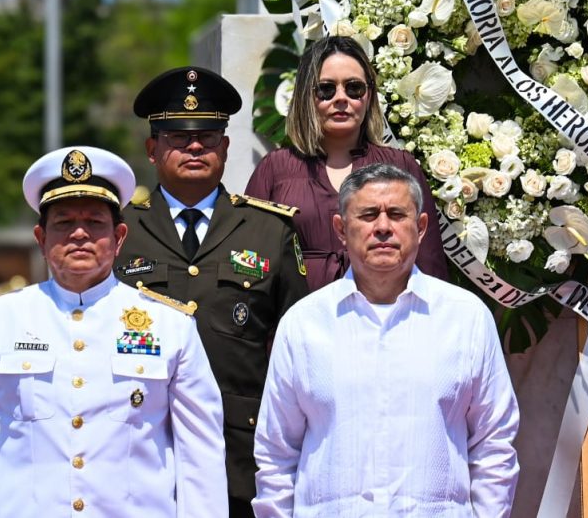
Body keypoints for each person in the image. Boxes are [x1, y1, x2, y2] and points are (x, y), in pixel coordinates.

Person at [253, 163, 519, 516]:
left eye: (396, 214)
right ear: (341, 229)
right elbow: (276, 452)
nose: (382, 227)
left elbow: (494, 442)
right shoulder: (304, 324)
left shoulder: (466, 318)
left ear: (421, 227)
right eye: (367, 215)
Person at [0, 146, 226, 516]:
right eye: (63, 222)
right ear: (41, 238)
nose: (79, 233)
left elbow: (201, 458)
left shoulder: (169, 326)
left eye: (95, 222)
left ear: (119, 237)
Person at [116, 66, 310, 518]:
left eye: (207, 135)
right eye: (177, 137)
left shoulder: (269, 230)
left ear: (224, 146)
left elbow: (298, 347)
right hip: (140, 448)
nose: (195, 145)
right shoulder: (122, 231)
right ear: (152, 148)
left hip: (239, 457)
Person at [245, 35, 449, 290]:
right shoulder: (274, 170)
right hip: (298, 320)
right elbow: (249, 264)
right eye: (326, 89)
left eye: (354, 88)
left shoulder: (401, 167)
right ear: (307, 96)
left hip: (389, 319)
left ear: (369, 95)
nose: (341, 98)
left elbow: (429, 264)